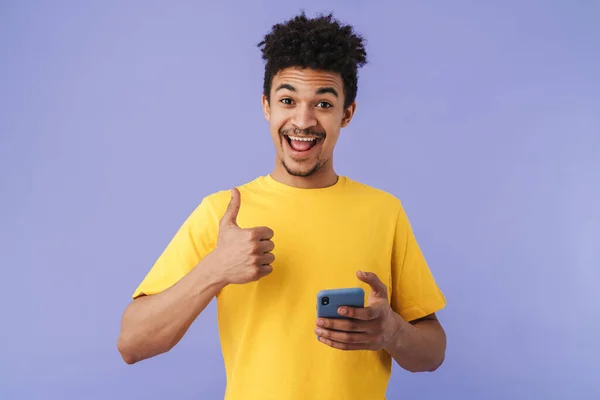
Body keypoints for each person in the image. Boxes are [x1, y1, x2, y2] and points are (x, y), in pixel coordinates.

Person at [117, 12, 447, 400]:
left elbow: (432, 353)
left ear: (347, 114)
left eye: (323, 104)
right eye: (288, 100)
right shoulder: (223, 214)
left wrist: (391, 330)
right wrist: (215, 269)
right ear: (266, 107)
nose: (302, 120)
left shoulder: (384, 211)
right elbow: (132, 343)